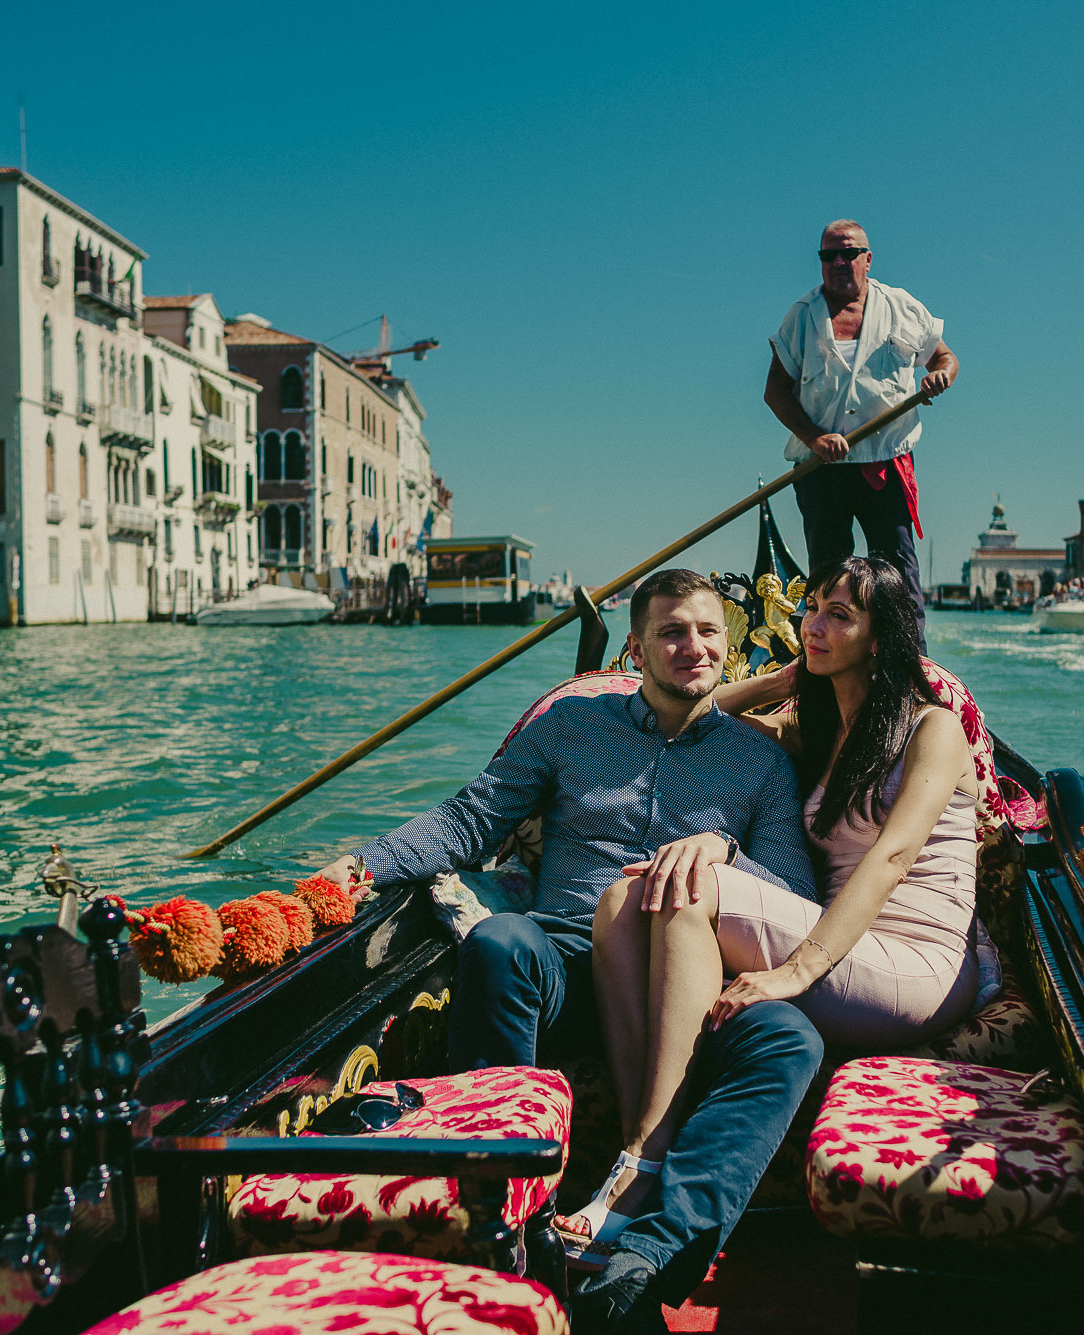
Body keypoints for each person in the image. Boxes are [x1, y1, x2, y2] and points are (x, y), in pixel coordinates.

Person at [313, 568, 823, 1334]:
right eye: (673, 632)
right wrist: (361, 865)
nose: (695, 647)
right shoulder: (569, 729)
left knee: (790, 1038)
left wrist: (722, 853)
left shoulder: (761, 764)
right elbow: (467, 821)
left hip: (700, 989)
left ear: (731, 643)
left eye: (709, 631)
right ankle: (507, 1225)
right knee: (499, 943)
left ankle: (660, 1243)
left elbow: (788, 890)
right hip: (569, 969)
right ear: (636, 648)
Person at [563, 557, 984, 1274]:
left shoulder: (931, 728)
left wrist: (795, 971)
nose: (813, 624)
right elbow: (695, 707)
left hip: (916, 963)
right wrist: (785, 676)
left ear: (881, 639)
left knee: (691, 881)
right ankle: (637, 1154)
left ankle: (643, 1165)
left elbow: (891, 858)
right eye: (812, 608)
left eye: (838, 616)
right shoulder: (818, 735)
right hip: (849, 945)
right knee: (627, 895)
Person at [765, 220, 957, 649]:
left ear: (867, 259)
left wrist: (939, 376)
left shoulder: (902, 306)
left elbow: (945, 358)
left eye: (848, 253)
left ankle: (911, 669)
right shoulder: (802, 316)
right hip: (821, 469)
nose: (838, 263)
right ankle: (832, 663)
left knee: (897, 574)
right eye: (827, 256)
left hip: (886, 462)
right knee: (829, 577)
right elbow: (774, 391)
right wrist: (814, 437)